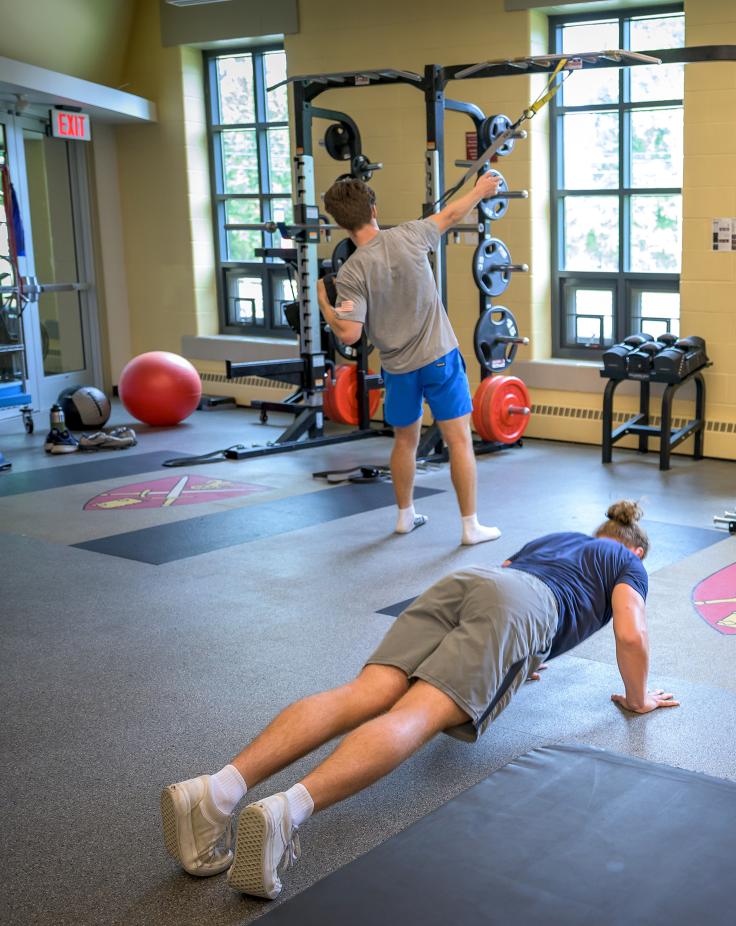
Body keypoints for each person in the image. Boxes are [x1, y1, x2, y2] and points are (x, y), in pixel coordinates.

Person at [161, 501, 677, 900]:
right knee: (417, 713)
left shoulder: (561, 539)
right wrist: (638, 700)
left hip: (472, 582)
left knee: (366, 692)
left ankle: (217, 790)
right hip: (522, 609)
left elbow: (504, 586)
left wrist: (516, 655)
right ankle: (285, 812)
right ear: (634, 550)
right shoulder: (628, 563)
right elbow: (631, 635)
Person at [317, 172, 504, 545]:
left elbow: (349, 333)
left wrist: (324, 301)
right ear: (374, 209)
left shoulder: (351, 272)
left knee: (405, 441)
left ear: (339, 224)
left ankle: (404, 517)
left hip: (398, 368)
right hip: (439, 357)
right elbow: (451, 215)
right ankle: (470, 527)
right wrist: (481, 191)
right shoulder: (409, 234)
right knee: (459, 441)